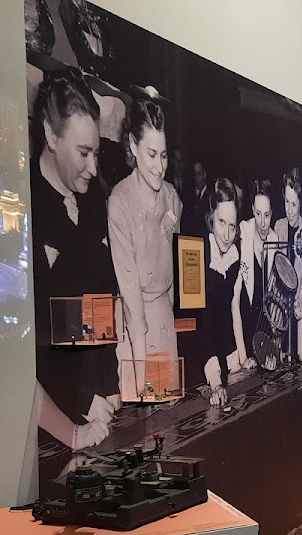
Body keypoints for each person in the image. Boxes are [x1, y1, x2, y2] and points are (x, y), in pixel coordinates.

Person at [30, 70, 120, 449]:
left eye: (96, 153)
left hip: (97, 407)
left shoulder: (93, 198)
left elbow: (99, 301)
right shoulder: (24, 205)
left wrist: (109, 386)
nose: (94, 168)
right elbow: (32, 347)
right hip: (50, 420)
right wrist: (82, 401)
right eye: (84, 153)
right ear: (51, 136)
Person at [107, 89, 183, 398]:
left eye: (163, 155)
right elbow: (130, 295)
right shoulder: (120, 203)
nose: (159, 166)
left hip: (164, 320)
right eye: (151, 154)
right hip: (135, 329)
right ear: (133, 146)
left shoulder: (173, 198)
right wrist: (141, 375)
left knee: (169, 412)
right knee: (142, 408)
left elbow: (175, 269)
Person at [203, 178, 243, 407]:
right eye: (221, 222)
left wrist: (236, 363)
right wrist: (215, 380)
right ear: (211, 217)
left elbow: (225, 314)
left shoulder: (234, 257)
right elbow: (203, 316)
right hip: (198, 357)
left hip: (219, 362)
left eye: (232, 226)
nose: (227, 235)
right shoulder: (199, 250)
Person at [274, 168, 302, 362]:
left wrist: (300, 349)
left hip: (297, 314)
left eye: (294, 204)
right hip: (278, 312)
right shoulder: (278, 227)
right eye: (286, 202)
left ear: (301, 204)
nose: (289, 210)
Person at [233, 178, 273, 368]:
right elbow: (234, 303)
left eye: (267, 215)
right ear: (252, 210)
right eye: (258, 214)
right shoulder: (242, 234)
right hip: (241, 337)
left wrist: (272, 349)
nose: (263, 223)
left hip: (264, 338)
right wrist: (242, 357)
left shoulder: (275, 241)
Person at [182, 160, 209, 234]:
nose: (197, 177)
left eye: (199, 173)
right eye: (195, 173)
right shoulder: (187, 196)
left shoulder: (211, 196)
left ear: (204, 174)